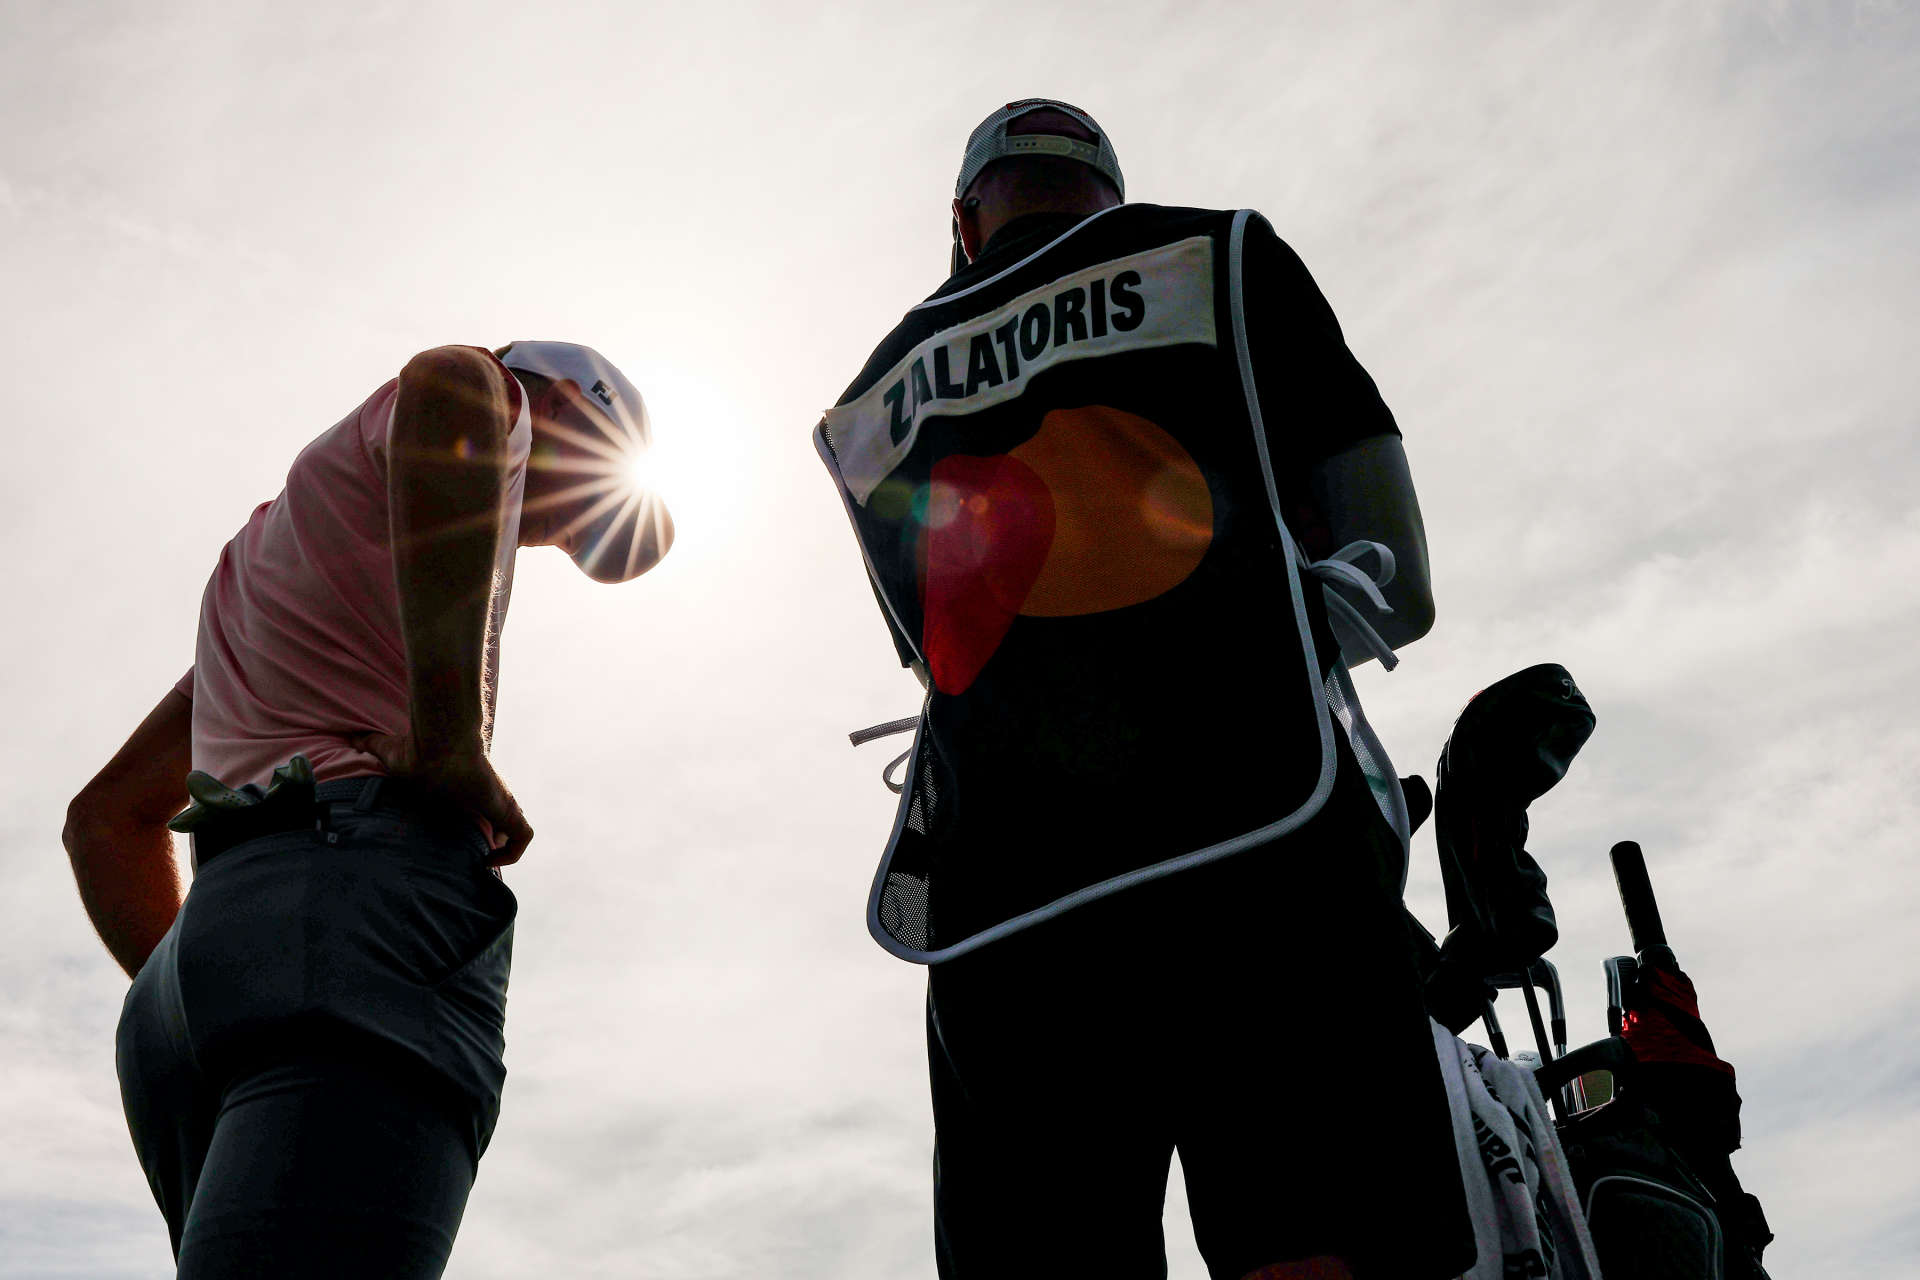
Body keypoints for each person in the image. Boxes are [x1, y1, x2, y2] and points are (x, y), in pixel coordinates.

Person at [815, 100, 1474, 1279]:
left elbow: (942, 650)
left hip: (1006, 915)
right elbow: (1397, 584)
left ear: (964, 221)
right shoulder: (1215, 258)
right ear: (1109, 194)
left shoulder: (867, 407)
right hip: (1266, 860)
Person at [63, 341, 672, 1277]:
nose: (543, 531)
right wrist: (450, 742)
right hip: (359, 906)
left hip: (194, 994)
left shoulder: (280, 572)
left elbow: (102, 821)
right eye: (567, 488)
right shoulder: (483, 392)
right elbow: (451, 385)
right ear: (548, 399)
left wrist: (232, 980)